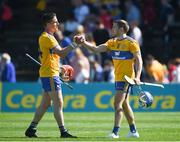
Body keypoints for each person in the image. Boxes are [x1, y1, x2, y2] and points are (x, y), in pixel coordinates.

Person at [75, 19, 143, 138]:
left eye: (114, 27)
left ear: (121, 29)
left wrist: (137, 76)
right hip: (118, 77)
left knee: (117, 103)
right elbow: (95, 49)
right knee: (125, 104)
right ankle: (133, 131)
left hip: (127, 78)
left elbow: (139, 60)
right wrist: (84, 42)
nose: (112, 29)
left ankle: (115, 132)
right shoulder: (112, 42)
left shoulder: (131, 43)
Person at [25, 12, 77, 138]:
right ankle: (63, 131)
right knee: (58, 102)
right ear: (47, 24)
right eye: (55, 21)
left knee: (45, 104)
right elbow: (62, 53)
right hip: (50, 75)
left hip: (50, 73)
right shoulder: (47, 38)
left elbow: (48, 57)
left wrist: (58, 68)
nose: (57, 23)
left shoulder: (49, 37)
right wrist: (75, 44)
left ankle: (31, 129)